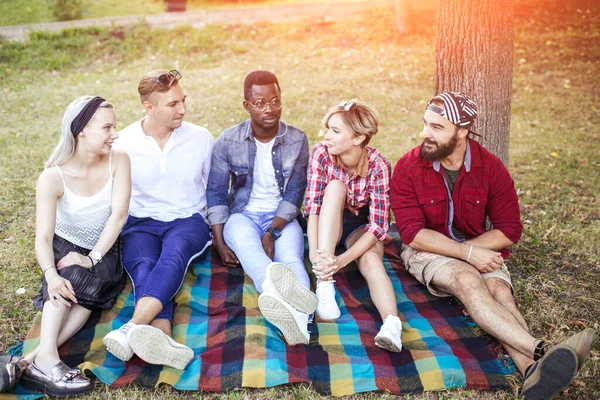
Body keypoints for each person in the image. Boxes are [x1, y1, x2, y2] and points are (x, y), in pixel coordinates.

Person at [390, 92, 595, 399]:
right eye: (425, 124)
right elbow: (412, 234)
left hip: (479, 245)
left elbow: (510, 229)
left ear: (462, 131)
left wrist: (473, 249)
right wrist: (466, 254)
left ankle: (531, 374)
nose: (425, 134)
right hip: (428, 249)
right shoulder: (408, 167)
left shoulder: (491, 167)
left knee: (501, 293)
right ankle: (544, 349)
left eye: (436, 127)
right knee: (467, 279)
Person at [0, 96, 130, 396]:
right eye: (107, 127)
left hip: (103, 246)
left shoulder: (119, 159)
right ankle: (44, 359)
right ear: (81, 129)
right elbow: (43, 238)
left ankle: (33, 360)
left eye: (115, 126)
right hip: (64, 245)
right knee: (66, 281)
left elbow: (119, 215)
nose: (116, 134)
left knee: (88, 294)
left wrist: (93, 257)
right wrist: (51, 275)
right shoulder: (52, 177)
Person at [104, 69, 213, 369]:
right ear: (148, 107)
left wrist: (219, 227)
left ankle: (130, 327)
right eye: (173, 104)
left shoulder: (201, 137)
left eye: (183, 100)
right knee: (143, 267)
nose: (183, 109)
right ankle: (161, 337)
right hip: (140, 222)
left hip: (187, 219)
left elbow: (214, 190)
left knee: (174, 256)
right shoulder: (123, 142)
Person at [206, 70, 316, 345]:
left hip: (282, 217)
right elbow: (217, 192)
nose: (270, 109)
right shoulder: (228, 140)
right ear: (247, 105)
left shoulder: (297, 139)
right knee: (250, 250)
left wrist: (272, 232)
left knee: (290, 258)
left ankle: (301, 320)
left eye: (275, 101)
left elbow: (295, 193)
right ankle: (288, 306)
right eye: (260, 102)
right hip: (242, 215)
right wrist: (219, 240)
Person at [305, 100, 403, 352]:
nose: (327, 136)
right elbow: (313, 209)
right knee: (336, 186)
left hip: (361, 226)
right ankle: (324, 283)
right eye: (328, 128)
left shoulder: (379, 165)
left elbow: (379, 226)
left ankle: (392, 325)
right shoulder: (321, 153)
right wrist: (318, 257)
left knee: (371, 261)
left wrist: (343, 260)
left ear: (359, 137)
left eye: (336, 131)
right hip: (327, 218)